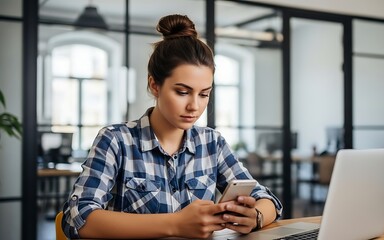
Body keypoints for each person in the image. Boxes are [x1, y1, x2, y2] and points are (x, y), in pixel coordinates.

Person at [62, 14, 282, 239]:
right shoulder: (116, 140)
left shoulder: (212, 143)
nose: (194, 106)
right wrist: (176, 224)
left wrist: (255, 216)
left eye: (204, 94)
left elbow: (268, 200)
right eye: (182, 92)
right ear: (154, 85)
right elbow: (78, 218)